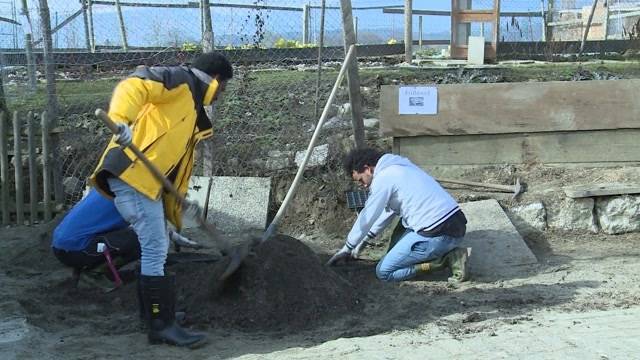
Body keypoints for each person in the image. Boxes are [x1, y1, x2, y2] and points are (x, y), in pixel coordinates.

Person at [89, 52, 233, 347]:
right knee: (155, 247)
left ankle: (155, 317)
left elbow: (173, 167)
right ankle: (161, 325)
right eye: (225, 88)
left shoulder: (192, 108)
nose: (222, 95)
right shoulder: (180, 81)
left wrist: (175, 208)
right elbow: (134, 84)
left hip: (146, 182)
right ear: (216, 81)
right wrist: (121, 121)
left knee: (156, 245)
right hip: (131, 173)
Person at [327, 148, 470, 283]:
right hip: (454, 224)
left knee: (384, 272)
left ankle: (444, 260)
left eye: (360, 180)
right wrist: (363, 241)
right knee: (401, 226)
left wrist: (347, 247)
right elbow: (387, 213)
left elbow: (369, 214)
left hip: (440, 233)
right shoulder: (400, 167)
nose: (363, 185)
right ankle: (417, 254)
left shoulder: (383, 178)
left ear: (367, 169)